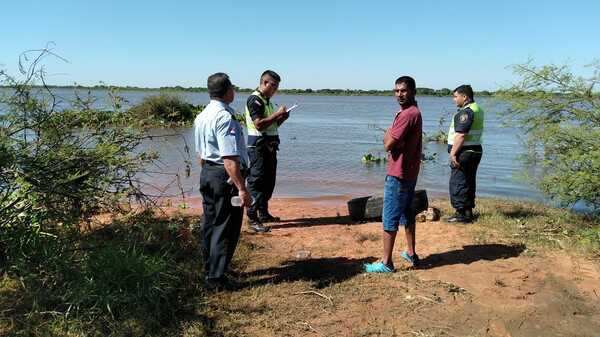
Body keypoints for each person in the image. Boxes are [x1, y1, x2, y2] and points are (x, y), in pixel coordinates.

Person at [194, 72, 251, 292]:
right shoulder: (225, 117)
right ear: (228, 90)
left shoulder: (202, 115)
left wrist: (209, 174)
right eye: (232, 88)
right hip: (224, 176)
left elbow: (200, 154)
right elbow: (229, 158)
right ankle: (216, 279)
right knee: (226, 227)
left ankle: (211, 269)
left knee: (210, 223)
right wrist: (242, 188)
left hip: (208, 172)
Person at [365, 76, 423, 272]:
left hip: (398, 174)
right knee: (407, 214)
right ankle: (411, 252)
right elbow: (394, 142)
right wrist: (394, 136)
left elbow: (387, 143)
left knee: (389, 217)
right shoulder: (414, 111)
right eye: (396, 91)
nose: (399, 94)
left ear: (413, 91)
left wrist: (390, 132)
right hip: (409, 172)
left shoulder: (407, 114)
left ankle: (386, 263)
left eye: (404, 90)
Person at [244, 70, 289, 233]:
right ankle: (252, 218)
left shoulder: (267, 101)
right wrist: (277, 114)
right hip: (258, 147)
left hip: (270, 147)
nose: (275, 89)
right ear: (264, 82)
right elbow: (259, 124)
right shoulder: (255, 99)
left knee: (268, 182)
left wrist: (281, 118)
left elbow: (271, 126)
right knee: (256, 183)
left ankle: (263, 214)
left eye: (277, 86)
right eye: (273, 85)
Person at [445, 85, 484, 223]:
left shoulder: (466, 112)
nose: (454, 100)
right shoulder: (477, 109)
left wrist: (453, 154)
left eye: (456, 96)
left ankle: (461, 213)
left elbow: (461, 135)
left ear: (465, 97)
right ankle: (468, 211)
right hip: (474, 150)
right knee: (468, 181)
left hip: (464, 152)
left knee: (458, 182)